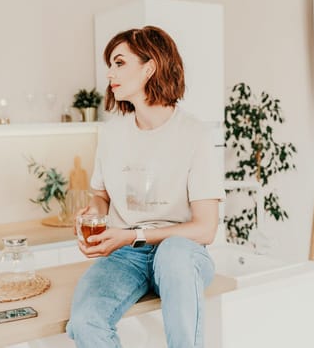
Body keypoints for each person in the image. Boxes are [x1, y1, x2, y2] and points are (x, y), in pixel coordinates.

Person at [66, 26, 225, 348]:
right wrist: (94, 212)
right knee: (84, 322)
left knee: (174, 253)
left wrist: (133, 235)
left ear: (150, 66)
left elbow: (206, 229)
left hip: (181, 252)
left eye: (120, 62)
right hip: (126, 256)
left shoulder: (194, 134)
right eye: (110, 64)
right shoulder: (112, 134)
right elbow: (101, 194)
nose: (110, 73)